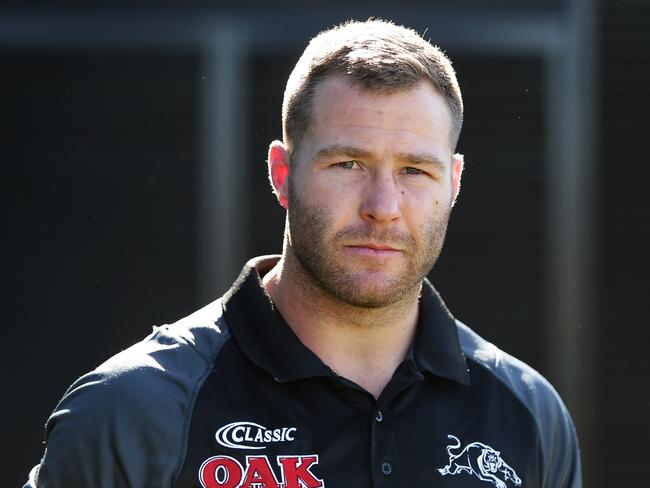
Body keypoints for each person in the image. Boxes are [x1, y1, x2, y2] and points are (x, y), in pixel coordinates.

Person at [25, 19, 581, 488]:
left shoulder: (531, 416)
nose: (383, 206)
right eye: (347, 165)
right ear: (282, 173)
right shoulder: (133, 411)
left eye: (415, 170)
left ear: (453, 184)